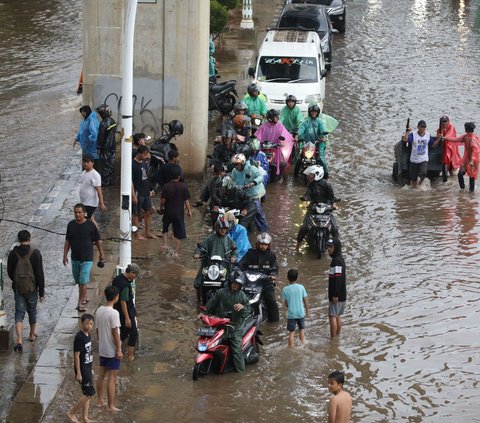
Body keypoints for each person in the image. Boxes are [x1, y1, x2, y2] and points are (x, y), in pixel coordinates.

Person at [197, 269, 250, 372]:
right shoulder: (221, 293)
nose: (235, 285)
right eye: (234, 283)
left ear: (240, 285)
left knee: (237, 351)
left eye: (237, 284)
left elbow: (247, 311)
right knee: (206, 341)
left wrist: (242, 307)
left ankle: (241, 372)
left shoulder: (242, 296)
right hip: (219, 325)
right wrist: (203, 313)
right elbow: (211, 303)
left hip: (235, 328)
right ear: (230, 282)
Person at [7, 230, 45, 352]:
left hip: (19, 288)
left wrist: (16, 281)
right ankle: (31, 335)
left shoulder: (13, 253)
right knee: (32, 310)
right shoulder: (35, 253)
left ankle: (19, 339)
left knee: (19, 313)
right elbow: (40, 274)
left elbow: (9, 271)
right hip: (32, 288)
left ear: (18, 240)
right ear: (29, 238)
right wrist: (41, 292)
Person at [63, 203, 105, 312]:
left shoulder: (90, 225)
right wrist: (65, 255)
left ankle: (80, 302)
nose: (77, 214)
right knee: (79, 281)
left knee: (83, 281)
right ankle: (85, 296)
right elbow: (68, 241)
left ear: (84, 213)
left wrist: (101, 253)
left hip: (87, 258)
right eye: (75, 212)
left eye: (79, 212)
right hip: (75, 258)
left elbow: (98, 240)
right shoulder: (71, 225)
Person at [193, 217, 237, 304]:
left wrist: (233, 257)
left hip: (224, 265)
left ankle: (229, 300)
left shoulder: (229, 240)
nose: (223, 230)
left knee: (230, 281)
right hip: (209, 264)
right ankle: (199, 300)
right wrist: (197, 254)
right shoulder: (210, 239)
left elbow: (234, 251)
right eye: (221, 228)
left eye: (225, 229)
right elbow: (201, 247)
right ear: (217, 228)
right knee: (199, 281)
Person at [296, 165, 338, 252]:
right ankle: (297, 245)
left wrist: (333, 204)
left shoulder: (326, 184)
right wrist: (305, 198)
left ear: (317, 174)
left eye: (311, 175)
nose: (309, 177)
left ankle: (336, 245)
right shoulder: (310, 184)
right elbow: (308, 194)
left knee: (334, 228)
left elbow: (331, 196)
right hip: (313, 207)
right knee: (304, 227)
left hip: (326, 208)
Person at [240, 232, 279, 322]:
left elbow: (275, 268)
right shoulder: (250, 253)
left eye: (265, 244)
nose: (262, 246)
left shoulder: (271, 255)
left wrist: (273, 275)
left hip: (265, 283)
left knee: (272, 301)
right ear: (257, 244)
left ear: (268, 245)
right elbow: (241, 265)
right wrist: (238, 270)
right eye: (261, 244)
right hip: (250, 282)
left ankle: (274, 322)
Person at [96, 285, 122, 412]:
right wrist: (119, 349)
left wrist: (100, 342)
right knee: (112, 378)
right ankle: (111, 405)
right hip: (111, 350)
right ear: (116, 297)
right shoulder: (114, 313)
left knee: (101, 376)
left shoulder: (99, 310)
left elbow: (97, 330)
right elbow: (115, 332)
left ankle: (100, 400)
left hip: (102, 349)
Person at [67, 313, 95, 423]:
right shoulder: (79, 337)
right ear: (81, 323)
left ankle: (85, 418)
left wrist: (90, 368)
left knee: (87, 394)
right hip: (82, 369)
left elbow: (88, 353)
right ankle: (72, 412)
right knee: (90, 393)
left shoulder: (88, 335)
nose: (88, 326)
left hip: (87, 368)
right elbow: (77, 356)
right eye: (86, 323)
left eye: (91, 324)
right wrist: (78, 372)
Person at [230, 153, 269, 232]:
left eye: (238, 164)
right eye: (235, 165)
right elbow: (232, 180)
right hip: (243, 194)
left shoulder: (251, 168)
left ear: (243, 163)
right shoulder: (234, 171)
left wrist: (253, 182)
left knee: (258, 213)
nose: (237, 166)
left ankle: (264, 231)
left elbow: (260, 176)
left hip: (254, 194)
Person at [160, 165, 192, 256]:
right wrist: (189, 210)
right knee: (178, 233)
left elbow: (162, 200)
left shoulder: (166, 186)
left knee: (165, 228)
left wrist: (161, 207)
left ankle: (165, 244)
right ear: (179, 176)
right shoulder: (183, 187)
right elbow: (186, 200)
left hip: (168, 212)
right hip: (179, 214)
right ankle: (176, 252)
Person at [112, 264, 141, 362]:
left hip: (117, 311)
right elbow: (123, 301)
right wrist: (127, 318)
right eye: (135, 275)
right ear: (131, 273)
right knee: (133, 334)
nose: (135, 277)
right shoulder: (125, 285)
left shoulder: (116, 279)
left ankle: (116, 351)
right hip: (126, 313)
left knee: (123, 333)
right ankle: (130, 356)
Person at [255, 109, 294, 180]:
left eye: (277, 116)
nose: (277, 118)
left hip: (276, 149)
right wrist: (256, 141)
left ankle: (285, 182)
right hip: (263, 149)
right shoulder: (263, 126)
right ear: (271, 118)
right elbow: (257, 136)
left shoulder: (279, 125)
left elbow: (286, 134)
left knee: (283, 163)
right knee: (256, 162)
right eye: (276, 117)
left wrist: (290, 138)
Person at [443, 122, 480, 192]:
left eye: (465, 128)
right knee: (460, 174)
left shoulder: (473, 139)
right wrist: (446, 138)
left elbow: (475, 152)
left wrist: (472, 161)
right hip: (466, 159)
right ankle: (462, 189)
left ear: (467, 129)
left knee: (471, 177)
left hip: (473, 160)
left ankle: (471, 192)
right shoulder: (465, 136)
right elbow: (456, 139)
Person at [402, 120, 438, 187]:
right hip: (414, 160)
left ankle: (420, 184)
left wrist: (439, 139)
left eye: (424, 127)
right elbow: (405, 139)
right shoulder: (413, 134)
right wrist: (407, 132)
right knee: (413, 178)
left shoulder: (427, 135)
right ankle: (415, 187)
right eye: (421, 127)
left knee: (424, 173)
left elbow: (433, 145)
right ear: (418, 127)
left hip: (423, 159)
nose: (422, 128)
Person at [297, 103, 329, 177]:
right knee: (300, 158)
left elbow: (323, 130)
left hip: (318, 143)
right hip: (307, 144)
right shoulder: (306, 121)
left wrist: (323, 137)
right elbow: (301, 129)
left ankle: (326, 174)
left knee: (321, 158)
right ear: (309, 112)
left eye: (315, 112)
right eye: (312, 111)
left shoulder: (320, 122)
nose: (313, 113)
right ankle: (296, 174)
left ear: (317, 113)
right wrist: (297, 135)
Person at [282, 269, 309, 348]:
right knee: (301, 329)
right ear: (297, 278)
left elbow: (286, 303)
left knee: (291, 332)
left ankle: (291, 348)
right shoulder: (301, 287)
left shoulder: (285, 289)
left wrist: (290, 306)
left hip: (291, 314)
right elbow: (305, 301)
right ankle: (302, 345)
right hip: (301, 312)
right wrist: (307, 312)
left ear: (287, 277)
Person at [132, 145, 155, 239]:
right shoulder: (132, 165)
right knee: (135, 214)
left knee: (149, 211)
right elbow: (130, 182)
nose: (147, 156)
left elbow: (146, 177)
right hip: (138, 192)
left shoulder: (144, 163)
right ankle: (136, 233)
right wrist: (133, 195)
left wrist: (150, 190)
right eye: (145, 154)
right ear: (139, 154)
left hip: (146, 192)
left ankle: (147, 232)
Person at [79, 154, 107, 228]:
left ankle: (92, 235)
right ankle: (96, 233)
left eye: (88, 162)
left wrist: (101, 203)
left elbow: (98, 190)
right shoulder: (83, 173)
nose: (85, 164)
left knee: (85, 220)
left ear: (92, 163)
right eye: (84, 162)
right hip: (84, 201)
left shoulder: (95, 175)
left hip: (90, 203)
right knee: (91, 219)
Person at [327, 238, 346, 338]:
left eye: (331, 247)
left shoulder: (336, 261)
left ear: (336, 248)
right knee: (337, 315)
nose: (328, 249)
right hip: (341, 295)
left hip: (337, 295)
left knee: (332, 316)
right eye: (328, 247)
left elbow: (337, 280)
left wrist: (335, 295)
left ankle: (333, 339)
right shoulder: (340, 259)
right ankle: (337, 337)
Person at [96, 104, 117, 186]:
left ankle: (106, 183)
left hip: (105, 148)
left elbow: (101, 137)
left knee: (105, 166)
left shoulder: (104, 123)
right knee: (110, 165)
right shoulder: (112, 121)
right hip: (112, 147)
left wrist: (98, 147)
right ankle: (110, 181)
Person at [74, 105, 100, 170]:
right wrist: (76, 139)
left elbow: (94, 134)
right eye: (81, 112)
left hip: (91, 148)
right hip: (85, 147)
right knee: (85, 165)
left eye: (83, 112)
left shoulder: (92, 120)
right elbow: (81, 131)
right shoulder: (83, 121)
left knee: (93, 165)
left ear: (87, 112)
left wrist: (89, 141)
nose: (82, 113)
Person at [436, 116, 460, 182]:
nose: (444, 123)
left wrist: (443, 137)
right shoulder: (439, 130)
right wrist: (439, 136)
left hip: (452, 151)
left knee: (454, 173)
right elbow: (438, 140)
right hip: (445, 152)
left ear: (448, 122)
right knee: (445, 170)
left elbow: (449, 135)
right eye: (443, 122)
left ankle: (454, 185)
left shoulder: (451, 127)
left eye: (445, 121)